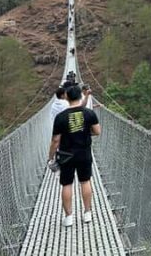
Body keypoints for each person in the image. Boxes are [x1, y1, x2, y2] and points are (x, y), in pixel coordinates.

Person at [48, 84, 101, 227]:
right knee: (85, 181)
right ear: (80, 96)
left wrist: (50, 156)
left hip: (66, 155)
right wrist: (84, 133)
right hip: (84, 153)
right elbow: (97, 131)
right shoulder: (89, 113)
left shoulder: (60, 117)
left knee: (67, 184)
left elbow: (55, 140)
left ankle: (69, 217)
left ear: (66, 97)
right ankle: (87, 213)